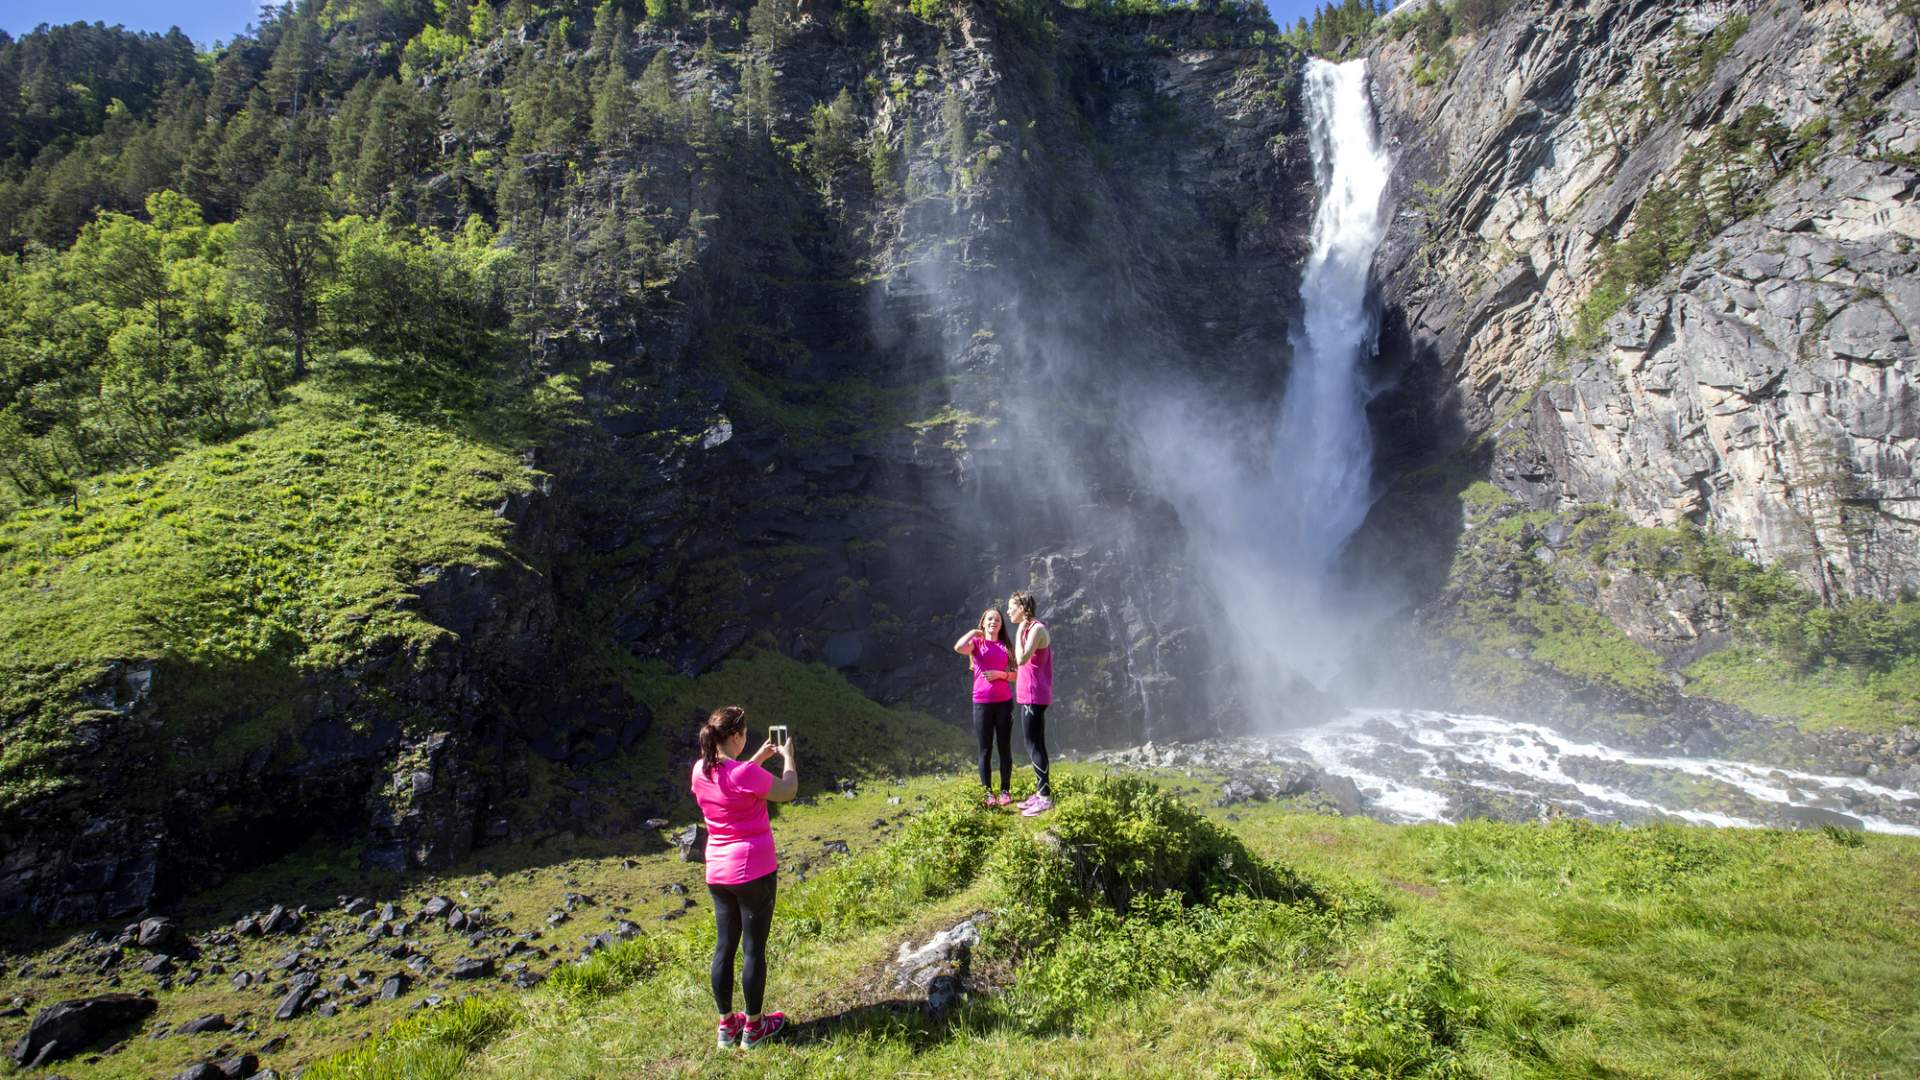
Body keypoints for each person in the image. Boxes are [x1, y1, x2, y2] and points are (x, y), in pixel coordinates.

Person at [690, 706, 797, 1050]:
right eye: (745, 733)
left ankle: (727, 1026)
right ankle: (754, 1027)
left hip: (718, 873)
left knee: (724, 947)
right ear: (735, 736)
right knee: (753, 950)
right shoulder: (745, 774)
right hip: (753, 871)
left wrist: (756, 759)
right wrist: (788, 758)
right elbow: (787, 790)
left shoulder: (700, 770)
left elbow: (731, 782)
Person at [953, 607, 1016, 808]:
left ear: (1001, 624)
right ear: (983, 622)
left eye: (997, 620)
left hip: (1004, 703)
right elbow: (958, 647)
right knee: (985, 749)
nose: (993, 622)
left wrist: (1000, 674)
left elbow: (1016, 674)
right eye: (989, 619)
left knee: (1004, 747)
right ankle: (988, 793)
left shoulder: (1006, 645)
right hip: (981, 703)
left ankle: (1005, 791)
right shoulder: (976, 644)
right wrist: (974, 632)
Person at [1008, 590, 1054, 816]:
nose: (1008, 612)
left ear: (1022, 609)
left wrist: (1018, 632)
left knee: (1033, 745)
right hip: (1029, 695)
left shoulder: (1035, 628)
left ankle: (1045, 799)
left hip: (1034, 696)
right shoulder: (1028, 628)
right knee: (1037, 744)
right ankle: (1041, 792)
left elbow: (1021, 658)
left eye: (1011, 607)